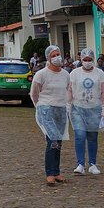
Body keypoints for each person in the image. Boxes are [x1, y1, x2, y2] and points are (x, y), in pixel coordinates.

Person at [29, 44, 71, 186]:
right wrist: (40, 106)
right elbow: (34, 93)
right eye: (53, 55)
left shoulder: (65, 74)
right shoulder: (42, 74)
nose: (56, 57)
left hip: (60, 109)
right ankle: (50, 173)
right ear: (48, 58)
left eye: (58, 54)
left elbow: (68, 91)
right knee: (52, 140)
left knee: (58, 142)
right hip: (46, 108)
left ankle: (56, 171)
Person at [68, 47, 104, 175]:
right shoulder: (74, 73)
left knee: (92, 136)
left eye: (89, 59)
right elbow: (70, 90)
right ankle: (80, 164)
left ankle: (92, 164)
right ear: (81, 60)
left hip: (94, 108)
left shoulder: (99, 73)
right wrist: (67, 105)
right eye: (85, 59)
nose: (87, 62)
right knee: (80, 135)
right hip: (77, 108)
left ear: (93, 59)